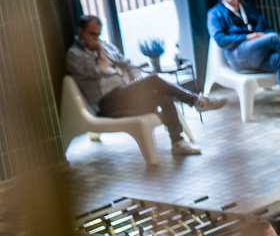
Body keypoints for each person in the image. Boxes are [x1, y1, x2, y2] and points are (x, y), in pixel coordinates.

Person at [66, 14, 203, 156]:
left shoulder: (106, 46)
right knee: (153, 79)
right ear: (80, 31)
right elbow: (102, 69)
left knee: (163, 95)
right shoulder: (75, 55)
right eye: (92, 34)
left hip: (125, 96)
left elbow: (128, 64)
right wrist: (99, 50)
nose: (96, 38)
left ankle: (177, 143)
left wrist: (136, 77)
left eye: (98, 35)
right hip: (106, 103)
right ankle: (195, 100)